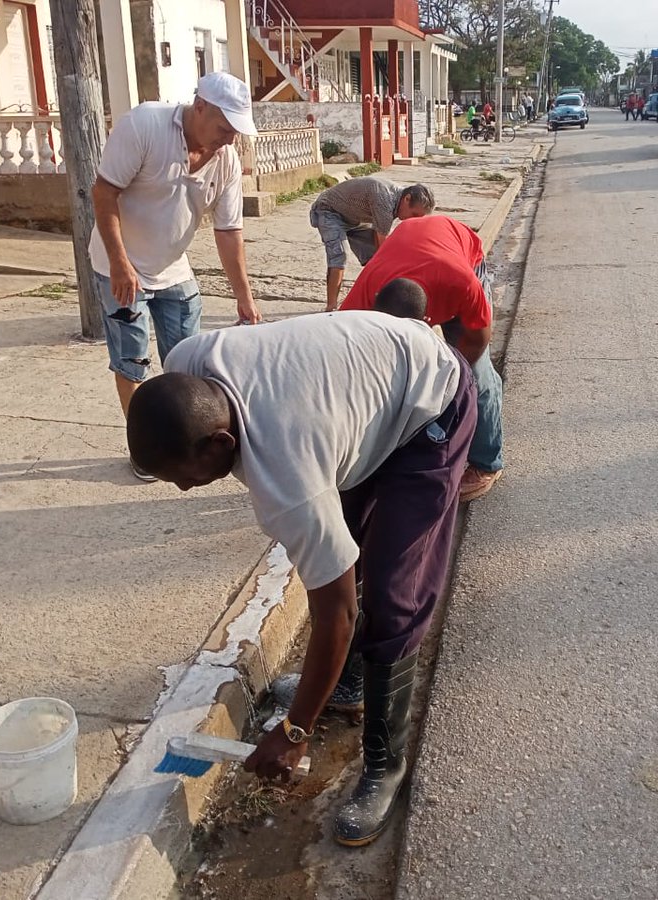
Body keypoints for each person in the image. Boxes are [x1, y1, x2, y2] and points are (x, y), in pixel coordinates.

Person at [126, 313, 477, 847]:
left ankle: (385, 765)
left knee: (393, 594)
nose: (183, 490)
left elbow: (337, 613)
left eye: (185, 476)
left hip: (433, 403)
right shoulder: (187, 362)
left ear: (220, 442)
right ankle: (350, 683)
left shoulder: (289, 480)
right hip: (368, 389)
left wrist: (296, 730)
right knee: (346, 547)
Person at [90, 71, 261, 481]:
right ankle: (145, 451)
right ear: (199, 106)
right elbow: (104, 192)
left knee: (188, 361)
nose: (229, 139)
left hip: (173, 268)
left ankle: (186, 441)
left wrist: (244, 296)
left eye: (236, 132)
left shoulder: (226, 159)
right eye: (224, 128)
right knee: (132, 362)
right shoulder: (145, 126)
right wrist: (119, 263)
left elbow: (228, 231)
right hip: (121, 266)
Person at [340, 215, 504, 502]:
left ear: (425, 321)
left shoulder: (461, 284)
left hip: (459, 250)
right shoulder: (363, 298)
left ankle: (487, 463)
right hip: (414, 249)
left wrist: (457, 384)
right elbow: (347, 359)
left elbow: (478, 338)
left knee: (477, 376)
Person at [309, 178, 435, 312]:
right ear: (407, 199)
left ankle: (377, 299)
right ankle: (331, 307)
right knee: (339, 255)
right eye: (414, 214)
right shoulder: (385, 200)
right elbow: (383, 249)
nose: (413, 220)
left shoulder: (399, 198)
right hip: (329, 211)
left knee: (375, 257)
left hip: (355, 218)